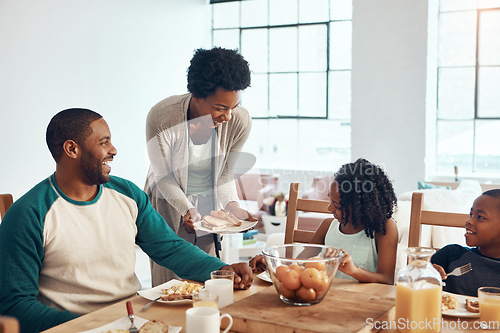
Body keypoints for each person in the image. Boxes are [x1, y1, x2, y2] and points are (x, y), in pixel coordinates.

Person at [0, 109, 253, 333]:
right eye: (104, 142)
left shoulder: (128, 194)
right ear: (72, 149)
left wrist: (222, 270)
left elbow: (170, 248)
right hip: (77, 327)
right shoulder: (28, 214)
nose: (113, 150)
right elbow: (15, 306)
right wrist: (92, 326)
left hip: (134, 319)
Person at [144, 47, 256, 287]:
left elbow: (224, 173)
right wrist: (186, 208)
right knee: (170, 283)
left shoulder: (239, 121)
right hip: (168, 200)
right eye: (219, 108)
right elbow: (164, 179)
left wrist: (232, 205)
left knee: (212, 278)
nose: (227, 116)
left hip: (208, 201)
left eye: (233, 107)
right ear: (196, 95)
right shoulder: (162, 118)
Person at [251, 158, 399, 284]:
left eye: (337, 205)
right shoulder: (327, 227)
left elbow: (387, 280)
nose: (329, 208)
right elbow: (299, 264)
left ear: (360, 207)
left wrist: (354, 271)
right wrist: (270, 264)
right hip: (324, 297)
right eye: (330, 200)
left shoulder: (384, 229)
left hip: (363, 303)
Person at [431, 189, 500, 297]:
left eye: (480, 217)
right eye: (471, 214)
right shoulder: (450, 255)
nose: (469, 221)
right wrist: (425, 275)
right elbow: (412, 287)